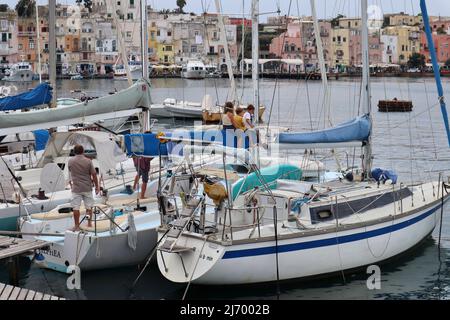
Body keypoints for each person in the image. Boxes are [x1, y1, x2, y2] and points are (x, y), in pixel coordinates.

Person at [68, 144, 100, 231]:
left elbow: (70, 173)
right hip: (87, 187)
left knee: (76, 207)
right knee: (88, 207)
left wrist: (70, 183)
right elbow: (94, 175)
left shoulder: (70, 161)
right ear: (83, 151)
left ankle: (77, 225)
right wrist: (97, 187)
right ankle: (89, 223)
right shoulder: (88, 161)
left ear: (74, 152)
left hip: (76, 188)